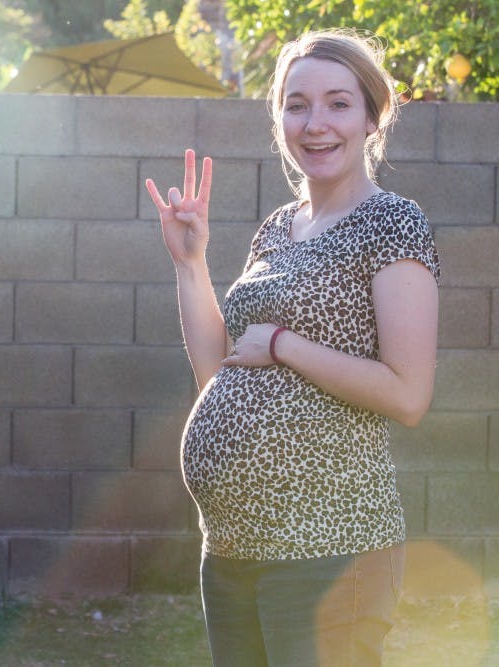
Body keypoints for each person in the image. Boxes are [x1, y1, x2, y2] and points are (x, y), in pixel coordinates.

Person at [145, 29, 440, 667]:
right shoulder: (277, 228)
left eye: (338, 103)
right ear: (278, 117)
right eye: (296, 103)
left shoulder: (393, 223)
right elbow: (217, 371)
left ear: (371, 116)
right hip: (231, 551)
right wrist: (190, 264)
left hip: (328, 553)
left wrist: (284, 344)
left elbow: (409, 394)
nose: (316, 123)